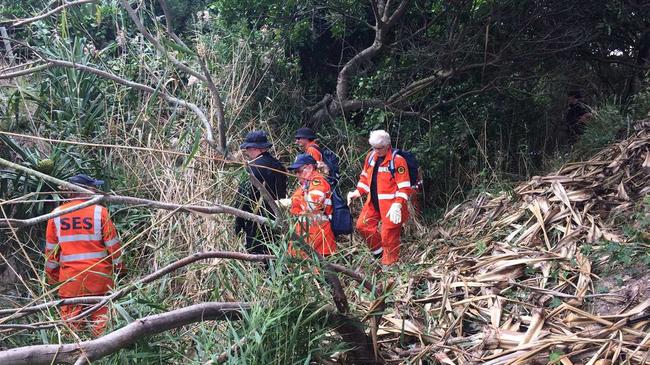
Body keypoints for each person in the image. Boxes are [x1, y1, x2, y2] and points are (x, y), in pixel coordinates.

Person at [45, 174, 123, 336]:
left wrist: (53, 281)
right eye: (92, 187)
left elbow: (51, 256)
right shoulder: (100, 212)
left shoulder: (56, 215)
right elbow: (114, 248)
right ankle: (103, 357)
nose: (95, 190)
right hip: (99, 279)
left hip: (70, 281)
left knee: (71, 331)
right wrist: (120, 271)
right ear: (81, 190)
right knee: (102, 328)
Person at [346, 130, 411, 266]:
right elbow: (365, 177)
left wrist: (398, 204)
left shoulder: (397, 161)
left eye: (379, 148)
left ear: (388, 145)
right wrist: (357, 192)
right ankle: (379, 253)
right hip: (373, 203)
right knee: (362, 226)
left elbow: (404, 187)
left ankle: (389, 265)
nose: (376, 151)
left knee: (388, 236)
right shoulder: (371, 157)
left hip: (391, 207)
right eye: (374, 147)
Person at [234, 131, 288, 255]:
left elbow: (244, 197)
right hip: (276, 216)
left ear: (254, 148)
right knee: (273, 251)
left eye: (247, 149)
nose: (247, 152)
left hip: (256, 218)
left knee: (256, 253)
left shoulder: (252, 168)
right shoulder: (278, 165)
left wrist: (239, 221)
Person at [279, 153, 336, 257]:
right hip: (308, 232)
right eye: (295, 172)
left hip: (318, 231)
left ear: (309, 168)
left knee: (316, 268)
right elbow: (296, 201)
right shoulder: (306, 184)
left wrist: (290, 203)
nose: (297, 175)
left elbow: (312, 205)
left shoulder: (318, 182)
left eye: (299, 171)